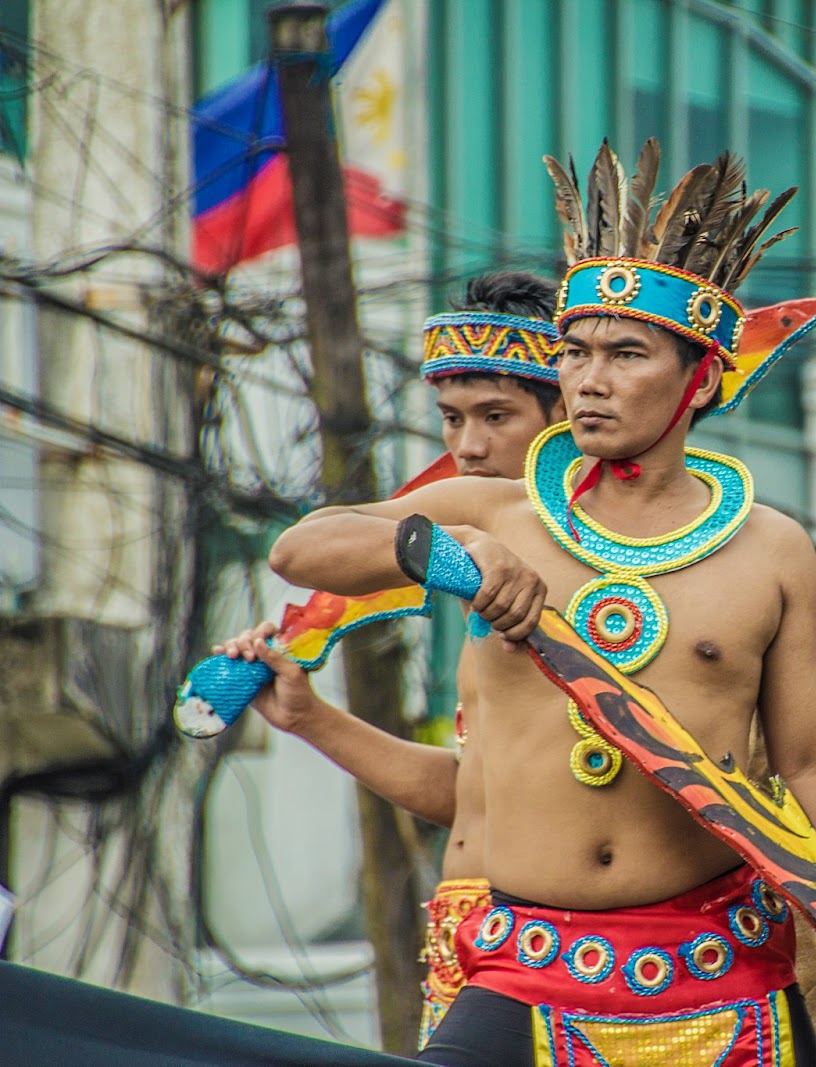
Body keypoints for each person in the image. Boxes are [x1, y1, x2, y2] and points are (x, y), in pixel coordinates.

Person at [266, 140, 816, 1067]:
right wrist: (453, 552)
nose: (589, 380)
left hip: (725, 970)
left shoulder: (770, 549)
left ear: (699, 378)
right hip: (525, 971)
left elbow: (812, 767)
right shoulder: (496, 512)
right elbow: (301, 547)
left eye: (625, 354)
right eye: (574, 353)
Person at [216, 271, 565, 1049]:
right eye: (452, 418)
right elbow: (299, 548)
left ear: (570, 407)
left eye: (496, 416)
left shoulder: (644, 558)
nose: (468, 446)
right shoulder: (478, 527)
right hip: (468, 936)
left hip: (574, 941)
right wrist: (310, 718)